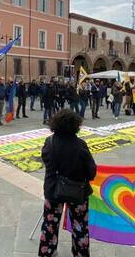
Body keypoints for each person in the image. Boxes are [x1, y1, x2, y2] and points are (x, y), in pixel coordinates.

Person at [38, 109, 96, 257]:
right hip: (78, 191)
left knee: (50, 224)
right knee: (80, 226)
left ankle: (47, 252)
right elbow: (91, 171)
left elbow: (46, 160)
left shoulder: (49, 142)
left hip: (53, 189)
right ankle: (80, 253)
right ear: (76, 125)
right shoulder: (80, 144)